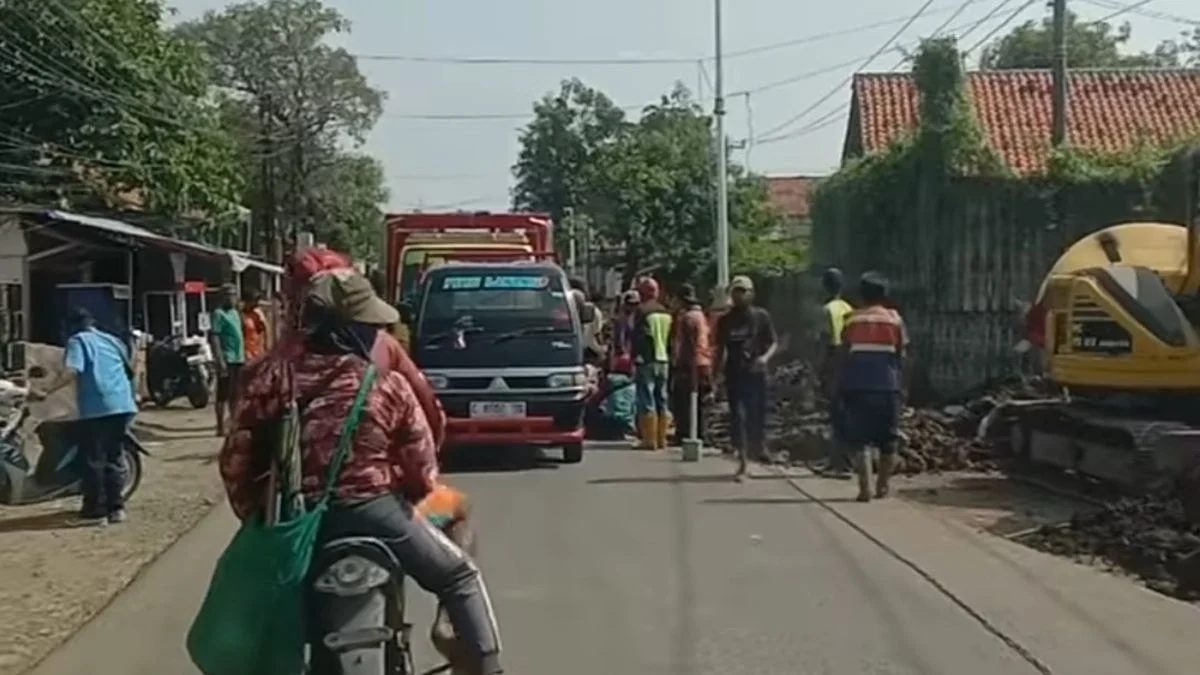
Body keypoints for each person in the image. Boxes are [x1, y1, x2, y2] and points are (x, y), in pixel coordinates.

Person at [218, 268, 503, 675]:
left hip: (296, 520)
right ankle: (485, 667)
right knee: (459, 576)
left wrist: (259, 518)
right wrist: (410, 493)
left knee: (264, 609)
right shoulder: (385, 384)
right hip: (376, 512)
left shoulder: (271, 377)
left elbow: (237, 459)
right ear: (348, 329)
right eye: (367, 325)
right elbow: (422, 467)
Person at [278, 248, 446, 451]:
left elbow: (241, 453)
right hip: (373, 472)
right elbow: (425, 403)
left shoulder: (276, 365)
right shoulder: (384, 347)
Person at [34, 308, 137, 525]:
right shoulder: (112, 340)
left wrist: (46, 391)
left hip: (98, 407)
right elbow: (129, 369)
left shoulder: (78, 341)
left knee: (93, 459)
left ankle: (95, 512)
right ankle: (116, 508)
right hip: (123, 405)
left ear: (71, 326)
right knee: (114, 457)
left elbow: (73, 371)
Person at [836, 272, 908, 502]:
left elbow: (843, 352)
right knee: (889, 440)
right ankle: (883, 487)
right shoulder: (895, 319)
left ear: (861, 294)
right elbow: (902, 354)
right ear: (885, 294)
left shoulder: (850, 319)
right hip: (888, 386)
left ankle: (864, 488)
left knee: (860, 439)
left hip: (856, 385)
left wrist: (838, 382)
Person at [714, 275, 778, 479]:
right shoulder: (725, 321)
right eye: (736, 291)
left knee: (756, 417)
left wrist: (764, 358)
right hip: (734, 374)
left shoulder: (761, 316)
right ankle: (742, 462)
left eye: (744, 291)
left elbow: (773, 342)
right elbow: (720, 350)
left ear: (751, 294)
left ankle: (758, 449)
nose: (740, 296)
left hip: (756, 375)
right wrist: (715, 378)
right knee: (738, 418)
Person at [814, 268, 854, 479]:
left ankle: (840, 464)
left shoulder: (827, 310)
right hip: (848, 360)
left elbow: (824, 340)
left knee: (836, 414)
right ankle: (838, 460)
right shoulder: (848, 308)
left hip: (833, 359)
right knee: (843, 413)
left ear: (825, 286)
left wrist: (818, 368)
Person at [630, 277, 673, 450]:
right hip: (664, 360)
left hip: (647, 359)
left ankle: (649, 440)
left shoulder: (642, 311)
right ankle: (662, 439)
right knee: (662, 397)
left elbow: (641, 337)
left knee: (646, 397)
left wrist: (637, 356)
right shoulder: (666, 312)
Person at [670, 283, 712, 445]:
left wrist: (679, 363)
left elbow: (685, 344)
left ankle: (685, 433)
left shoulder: (687, 318)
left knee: (683, 401)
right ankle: (699, 432)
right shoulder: (701, 316)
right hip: (703, 361)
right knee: (698, 401)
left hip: (690, 363)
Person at [210, 284, 245, 436]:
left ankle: (233, 422)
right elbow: (215, 337)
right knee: (223, 394)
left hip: (239, 357)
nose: (232, 298)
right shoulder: (218, 314)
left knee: (236, 394)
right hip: (227, 357)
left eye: (234, 295)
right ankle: (219, 426)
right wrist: (220, 360)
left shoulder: (235, 313)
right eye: (229, 295)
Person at [240, 288, 270, 361]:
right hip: (247, 351)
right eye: (254, 301)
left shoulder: (258, 313)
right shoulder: (242, 315)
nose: (256, 303)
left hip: (258, 350)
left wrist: (267, 347)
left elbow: (265, 330)